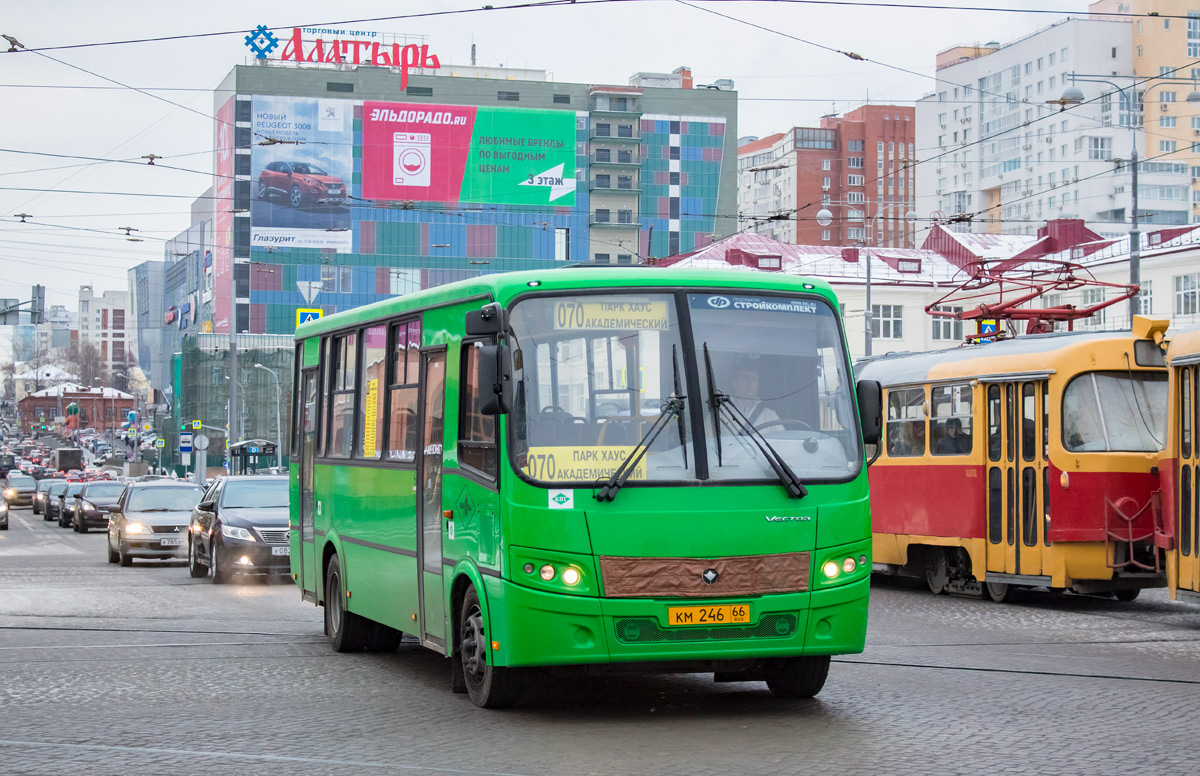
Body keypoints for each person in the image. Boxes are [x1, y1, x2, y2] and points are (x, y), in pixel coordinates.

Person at [728, 361, 780, 427]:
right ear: (734, 382)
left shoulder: (769, 415)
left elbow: (781, 437)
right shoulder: (720, 411)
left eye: (754, 379)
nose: (750, 383)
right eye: (745, 378)